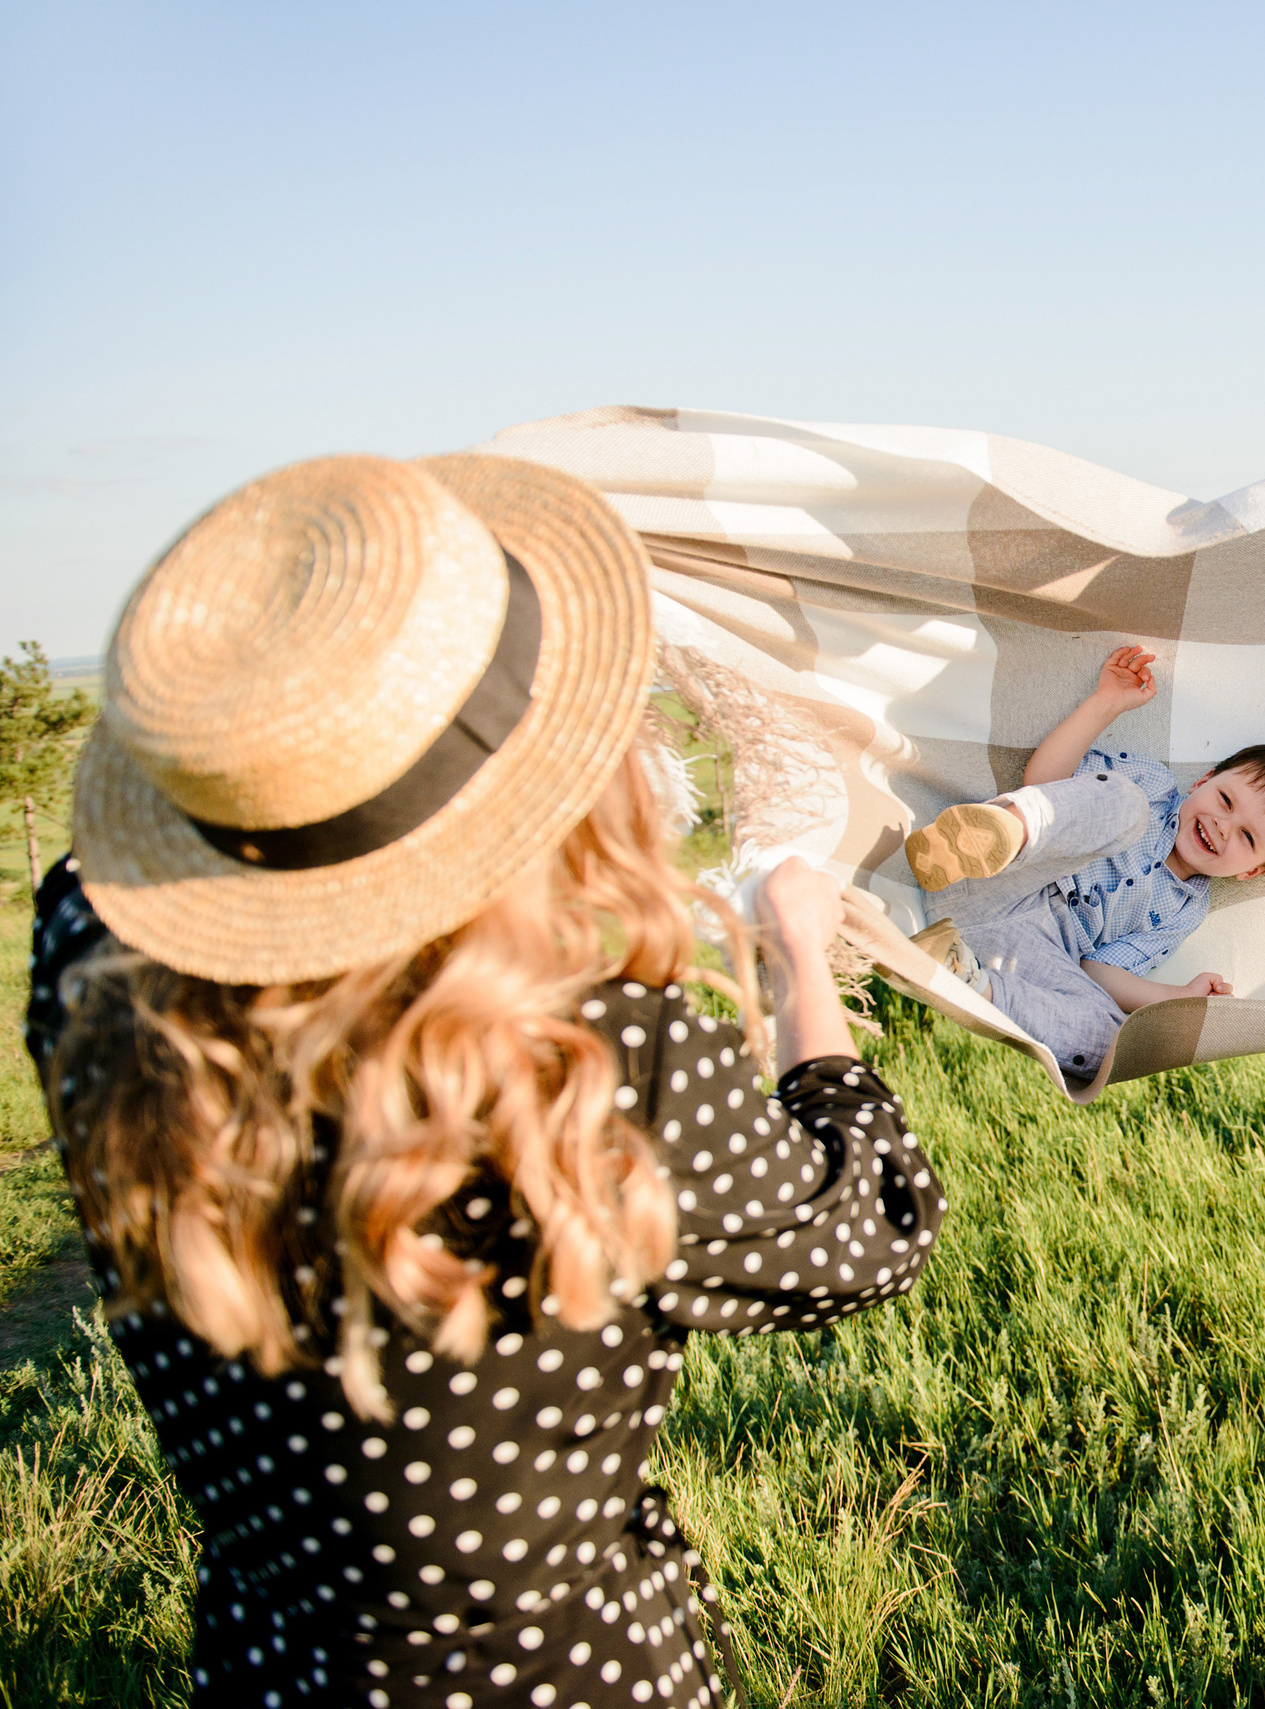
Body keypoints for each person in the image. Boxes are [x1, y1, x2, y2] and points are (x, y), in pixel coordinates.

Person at [23, 451, 944, 1708]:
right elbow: (867, 1224)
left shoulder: (89, 954)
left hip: (270, 1659)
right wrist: (796, 952)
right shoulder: (594, 1053)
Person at [900, 644, 1265, 1082]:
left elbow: (1098, 971)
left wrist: (1176, 997)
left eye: (1247, 837)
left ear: (1252, 870)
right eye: (1225, 800)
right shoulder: (1153, 786)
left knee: (1114, 1041)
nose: (1222, 826)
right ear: (1201, 781)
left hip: (1014, 951)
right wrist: (1105, 703)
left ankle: (964, 982)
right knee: (1125, 804)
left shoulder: (1185, 911)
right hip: (997, 873)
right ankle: (995, 833)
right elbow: (1045, 783)